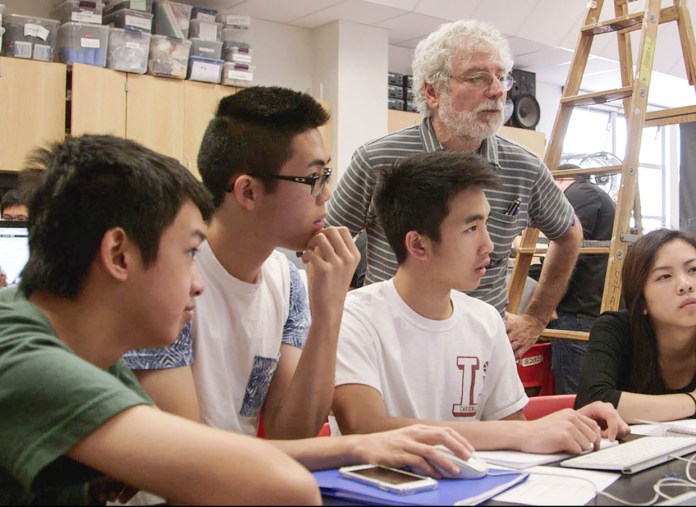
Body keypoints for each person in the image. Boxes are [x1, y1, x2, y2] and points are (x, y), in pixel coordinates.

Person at [122, 86, 473, 473]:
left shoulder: (286, 280)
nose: (326, 196)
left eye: (326, 175)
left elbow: (292, 433)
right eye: (313, 179)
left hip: (243, 485)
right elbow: (188, 457)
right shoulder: (173, 277)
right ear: (248, 191)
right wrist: (357, 446)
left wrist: (328, 310)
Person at [0, 135, 322, 505]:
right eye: (188, 253)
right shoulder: (19, 353)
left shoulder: (91, 352)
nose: (198, 284)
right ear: (119, 255)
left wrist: (361, 448)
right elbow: (279, 484)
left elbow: (206, 452)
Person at [333, 151, 629, 454]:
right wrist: (521, 434)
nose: (488, 244)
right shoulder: (354, 317)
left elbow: (514, 427)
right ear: (418, 244)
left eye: (486, 224)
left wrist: (574, 425)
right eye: (471, 228)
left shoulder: (485, 319)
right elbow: (366, 426)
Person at [326, 19, 583, 359]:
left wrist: (535, 318)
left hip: (480, 348)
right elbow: (327, 241)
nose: (497, 90)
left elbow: (569, 234)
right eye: (478, 78)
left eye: (501, 76)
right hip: (389, 345)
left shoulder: (524, 166)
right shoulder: (379, 159)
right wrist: (337, 324)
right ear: (432, 92)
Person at [574, 229, 696, 423]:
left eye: (693, 269)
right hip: (632, 451)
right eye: (664, 276)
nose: (685, 285)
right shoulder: (615, 329)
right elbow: (592, 403)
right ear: (641, 300)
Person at [548, 167, 616, 394]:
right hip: (590, 307)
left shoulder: (580, 193)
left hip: (579, 311)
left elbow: (568, 248)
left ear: (561, 179)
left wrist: (546, 301)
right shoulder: (592, 195)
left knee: (573, 397)